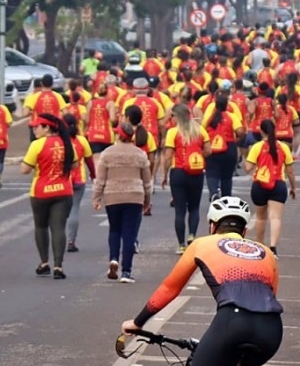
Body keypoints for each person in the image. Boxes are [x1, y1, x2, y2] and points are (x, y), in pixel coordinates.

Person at [121, 196, 283, 366]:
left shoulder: (202, 244)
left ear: (212, 226)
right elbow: (271, 295)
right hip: (271, 329)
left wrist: (138, 322)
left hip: (233, 322)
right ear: (244, 231)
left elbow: (169, 288)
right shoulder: (266, 253)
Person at [92, 122, 151, 283]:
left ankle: (113, 259)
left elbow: (100, 180)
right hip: (134, 196)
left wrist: (96, 198)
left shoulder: (107, 154)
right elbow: (147, 181)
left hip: (112, 196)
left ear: (118, 135)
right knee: (130, 234)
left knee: (115, 230)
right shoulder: (140, 154)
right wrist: (147, 200)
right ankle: (126, 272)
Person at [20, 113, 76, 279]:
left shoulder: (37, 145)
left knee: (41, 226)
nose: (34, 129)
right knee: (58, 228)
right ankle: (58, 266)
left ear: (47, 128)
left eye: (37, 127)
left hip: (41, 192)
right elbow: (74, 164)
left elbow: (25, 169)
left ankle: (44, 263)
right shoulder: (66, 143)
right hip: (64, 191)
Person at [162, 104, 211, 254]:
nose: (171, 119)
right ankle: (192, 235)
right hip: (196, 172)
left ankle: (181, 244)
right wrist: (197, 158)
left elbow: (168, 156)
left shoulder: (173, 132)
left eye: (172, 116)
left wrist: (164, 174)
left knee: (180, 210)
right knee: (194, 207)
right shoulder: (199, 130)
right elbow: (209, 150)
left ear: (177, 117)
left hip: (178, 172)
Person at [245, 119, 296, 257]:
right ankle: (273, 248)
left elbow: (248, 168)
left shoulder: (257, 147)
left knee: (261, 218)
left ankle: (259, 247)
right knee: (275, 218)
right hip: (278, 184)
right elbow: (290, 171)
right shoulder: (284, 147)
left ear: (261, 131)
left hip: (259, 184)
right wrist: (293, 187)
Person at [202, 94, 244, 200]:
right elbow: (240, 131)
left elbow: (201, 132)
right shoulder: (232, 116)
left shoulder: (209, 118)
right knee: (227, 176)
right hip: (229, 148)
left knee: (211, 172)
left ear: (215, 105)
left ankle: (213, 192)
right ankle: (226, 198)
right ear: (226, 105)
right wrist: (236, 140)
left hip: (212, 148)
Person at [64, 113, 94, 254]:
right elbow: (89, 160)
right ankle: (71, 241)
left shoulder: (59, 141)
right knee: (74, 209)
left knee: (61, 211)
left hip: (62, 180)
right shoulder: (82, 140)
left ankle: (59, 239)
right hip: (79, 179)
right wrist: (93, 174)